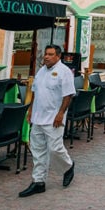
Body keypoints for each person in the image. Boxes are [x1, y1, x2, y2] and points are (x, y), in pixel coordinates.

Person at [19, 45, 75, 197]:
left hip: (54, 117)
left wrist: (61, 113)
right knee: (37, 150)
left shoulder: (64, 72)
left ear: (58, 56)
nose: (46, 57)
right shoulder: (41, 71)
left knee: (55, 148)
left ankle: (68, 166)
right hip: (38, 117)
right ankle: (38, 181)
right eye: (46, 54)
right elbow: (35, 92)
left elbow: (68, 95)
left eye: (50, 54)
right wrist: (30, 110)